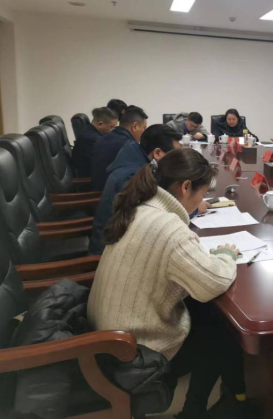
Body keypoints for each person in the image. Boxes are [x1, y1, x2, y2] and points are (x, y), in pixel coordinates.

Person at [87, 149, 251, 419]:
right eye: (202, 194)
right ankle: (195, 412)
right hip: (132, 358)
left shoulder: (141, 207)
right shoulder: (169, 228)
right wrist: (226, 256)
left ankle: (224, 399)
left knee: (205, 313)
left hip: (105, 342)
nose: (201, 201)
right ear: (186, 187)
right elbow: (213, 282)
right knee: (221, 333)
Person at [88, 124, 183, 255]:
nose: (177, 160)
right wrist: (191, 208)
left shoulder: (135, 157)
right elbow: (152, 217)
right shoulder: (133, 176)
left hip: (121, 239)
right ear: (157, 153)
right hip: (110, 252)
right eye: (175, 155)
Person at [91, 106, 148, 191]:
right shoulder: (128, 146)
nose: (144, 132)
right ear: (134, 126)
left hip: (100, 190)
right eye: (144, 128)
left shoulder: (103, 138)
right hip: (112, 194)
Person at [72, 107, 118, 178]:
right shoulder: (91, 140)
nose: (113, 130)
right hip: (91, 180)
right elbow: (103, 164)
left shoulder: (92, 131)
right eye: (112, 127)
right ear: (100, 124)